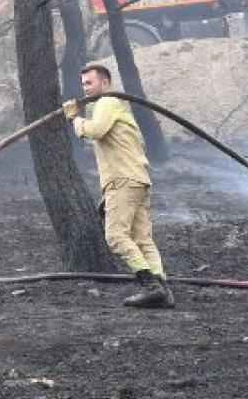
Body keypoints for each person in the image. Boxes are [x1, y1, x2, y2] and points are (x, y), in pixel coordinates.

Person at [63, 65, 174, 309]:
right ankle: (163, 290)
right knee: (142, 239)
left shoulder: (107, 103)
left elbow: (95, 131)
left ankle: (150, 286)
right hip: (137, 179)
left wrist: (74, 117)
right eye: (83, 84)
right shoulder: (116, 106)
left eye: (89, 83)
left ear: (105, 83)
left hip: (123, 180)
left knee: (115, 237)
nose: (85, 88)